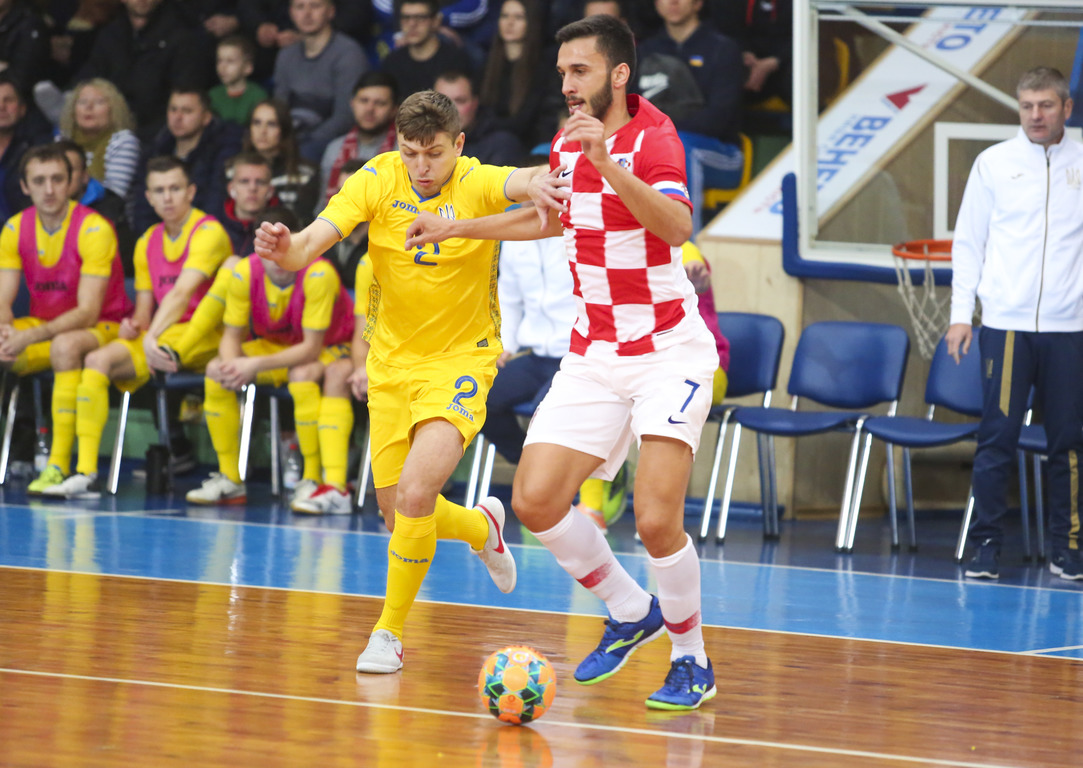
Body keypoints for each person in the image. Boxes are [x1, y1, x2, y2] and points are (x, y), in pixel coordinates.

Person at [405, 14, 719, 710]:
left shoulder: (655, 136)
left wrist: (607, 162)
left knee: (656, 520)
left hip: (667, 350)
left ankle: (691, 660)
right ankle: (629, 610)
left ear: (618, 74)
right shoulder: (565, 141)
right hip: (594, 351)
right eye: (562, 73)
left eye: (580, 71)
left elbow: (676, 227)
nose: (568, 84)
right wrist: (457, 227)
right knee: (535, 499)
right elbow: (550, 218)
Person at [254, 89, 551, 673]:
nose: (421, 166)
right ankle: (480, 526)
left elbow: (526, 180)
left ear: (458, 145)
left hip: (460, 361)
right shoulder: (376, 178)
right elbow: (310, 243)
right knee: (399, 516)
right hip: (390, 366)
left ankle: (386, 634)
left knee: (416, 494)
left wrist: (542, 180)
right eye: (411, 152)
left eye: (434, 154)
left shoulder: (477, 179)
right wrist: (286, 251)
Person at [949, 66, 1083, 582]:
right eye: (1027, 106)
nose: (1035, 116)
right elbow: (969, 242)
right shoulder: (993, 163)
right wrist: (961, 316)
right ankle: (985, 545)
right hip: (1005, 327)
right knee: (997, 438)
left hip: (1069, 330)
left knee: (1068, 442)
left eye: (1045, 105)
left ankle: (1067, 548)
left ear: (1066, 108)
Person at [38, 155, 232, 498]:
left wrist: (151, 335)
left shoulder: (209, 232)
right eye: (159, 190)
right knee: (96, 361)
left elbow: (182, 293)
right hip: (160, 335)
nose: (167, 197)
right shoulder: (146, 242)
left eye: (175, 188)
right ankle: (85, 472)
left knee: (162, 347)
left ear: (191, 192)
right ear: (148, 198)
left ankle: (228, 476)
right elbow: (145, 309)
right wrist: (135, 326)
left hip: (206, 335)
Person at [187, 206, 357, 510]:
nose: (276, 258)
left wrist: (253, 365)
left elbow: (310, 349)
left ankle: (311, 479)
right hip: (278, 346)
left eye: (283, 246)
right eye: (268, 248)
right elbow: (231, 336)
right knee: (216, 370)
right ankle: (230, 479)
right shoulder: (244, 271)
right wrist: (233, 367)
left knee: (302, 375)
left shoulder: (318, 273)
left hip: (330, 345)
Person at [0, 144, 132, 494]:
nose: (49, 189)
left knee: (64, 346)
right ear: (24, 186)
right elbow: (3, 300)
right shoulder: (14, 228)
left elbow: (88, 312)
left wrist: (27, 337)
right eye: (39, 180)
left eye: (57, 179)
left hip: (104, 325)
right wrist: (4, 332)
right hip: (46, 327)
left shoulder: (94, 228)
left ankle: (58, 465)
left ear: (71, 182)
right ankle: (22, 454)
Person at [77, 0, 215, 142]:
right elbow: (89, 78)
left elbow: (185, 95)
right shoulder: (111, 34)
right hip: (110, 131)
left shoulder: (182, 38)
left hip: (158, 137)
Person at [131, 88, 244, 234]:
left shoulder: (220, 152)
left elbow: (215, 202)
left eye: (187, 111)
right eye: (173, 109)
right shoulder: (155, 151)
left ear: (206, 117)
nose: (177, 117)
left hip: (204, 236)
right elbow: (142, 208)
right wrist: (154, 238)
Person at [272, 0, 369, 163]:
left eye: (315, 6)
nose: (307, 14)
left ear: (331, 11)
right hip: (289, 136)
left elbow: (345, 117)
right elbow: (278, 107)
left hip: (324, 142)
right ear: (291, 13)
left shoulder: (349, 54)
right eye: (300, 7)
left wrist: (301, 142)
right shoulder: (286, 55)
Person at [477, 0, 558, 149]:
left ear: (531, 23)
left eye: (519, 17)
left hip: (530, 145)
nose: (510, 23)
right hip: (493, 141)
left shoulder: (543, 66)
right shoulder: (487, 64)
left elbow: (531, 120)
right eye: (505, 16)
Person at [319, 72, 399, 210]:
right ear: (352, 103)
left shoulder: (403, 150)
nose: (370, 109)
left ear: (394, 110)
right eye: (364, 100)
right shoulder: (334, 149)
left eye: (380, 103)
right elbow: (322, 206)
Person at [58, 79, 142, 204]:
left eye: (99, 102)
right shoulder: (63, 139)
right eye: (82, 102)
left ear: (113, 110)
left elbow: (114, 196)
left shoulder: (123, 141)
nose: (88, 107)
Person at [243, 98, 320, 225]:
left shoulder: (307, 173)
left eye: (271, 124)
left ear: (284, 130)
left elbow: (303, 223)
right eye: (257, 123)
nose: (262, 131)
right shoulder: (232, 169)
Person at [380, 0, 474, 98]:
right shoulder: (392, 62)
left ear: (436, 21)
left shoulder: (456, 60)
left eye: (420, 17)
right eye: (406, 18)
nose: (412, 24)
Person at [433, 70, 523, 166]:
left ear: (475, 103)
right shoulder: (423, 143)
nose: (451, 109)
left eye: (460, 101)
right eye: (441, 102)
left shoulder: (502, 145)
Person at [221, 152, 277, 255]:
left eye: (260, 182)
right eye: (244, 181)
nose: (252, 188)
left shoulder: (281, 229)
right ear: (231, 188)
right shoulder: (215, 225)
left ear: (270, 190)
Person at [209, 34, 269, 126]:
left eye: (230, 61)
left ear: (247, 68)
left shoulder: (258, 96)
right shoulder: (212, 95)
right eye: (219, 61)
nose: (223, 67)